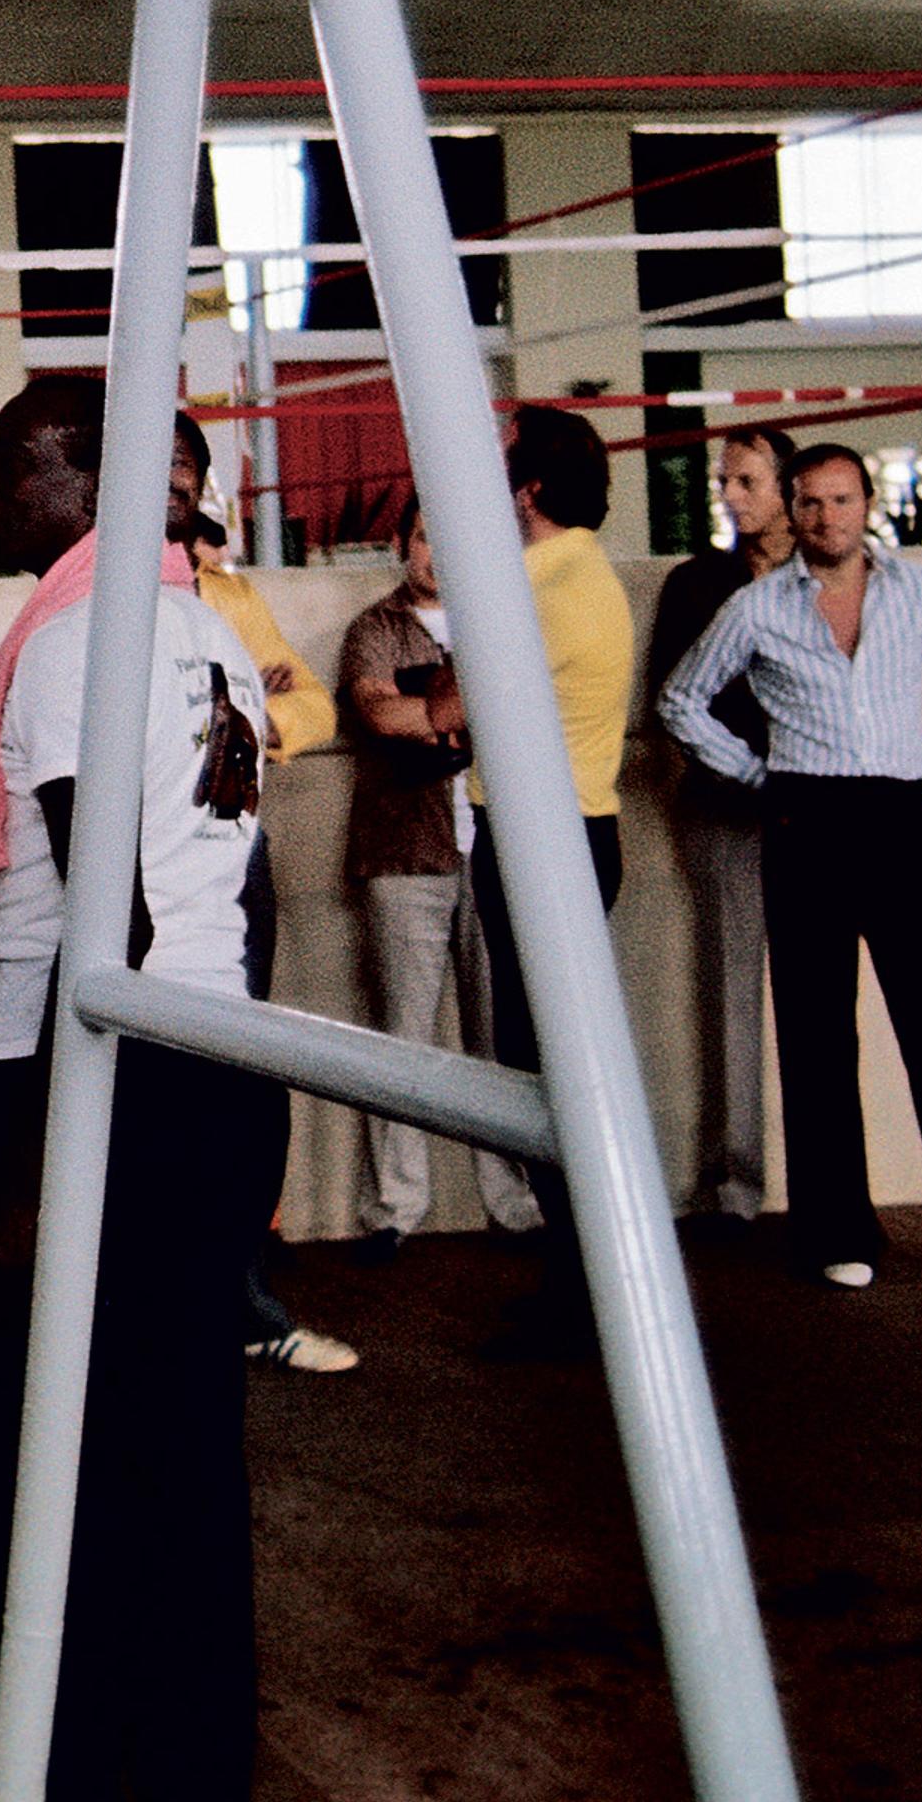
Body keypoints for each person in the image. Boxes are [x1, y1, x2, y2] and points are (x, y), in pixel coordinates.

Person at [0, 375, 277, 1800]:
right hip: (209, 1062)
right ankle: (189, 1751)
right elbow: (238, 894)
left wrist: (27, 1168)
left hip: (92, 1075)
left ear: (91, 477)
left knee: (50, 1437)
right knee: (176, 1433)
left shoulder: (84, 637)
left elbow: (108, 922)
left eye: (7, 463)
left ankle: (77, 1752)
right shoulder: (212, 636)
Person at [660, 444, 922, 1293]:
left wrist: (915, 762)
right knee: (816, 1034)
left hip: (896, 819)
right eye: (810, 503)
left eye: (840, 500)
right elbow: (680, 700)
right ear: (795, 510)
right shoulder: (757, 607)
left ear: (866, 503)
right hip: (803, 819)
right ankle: (835, 1232)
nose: (826, 518)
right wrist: (755, 776)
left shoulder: (915, 591)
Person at [165, 416, 354, 1377]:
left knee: (241, 1073)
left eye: (184, 468)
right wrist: (231, 711)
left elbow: (311, 708)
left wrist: (242, 719)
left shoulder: (232, 597)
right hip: (145, 864)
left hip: (235, 856)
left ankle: (242, 1292)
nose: (170, 483)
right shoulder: (90, 593)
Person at [468, 405, 633, 1356]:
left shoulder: (536, 583)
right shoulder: (577, 571)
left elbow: (446, 708)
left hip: (544, 841)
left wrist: (403, 702)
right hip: (562, 833)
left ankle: (585, 1291)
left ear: (527, 489)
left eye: (496, 457)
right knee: (543, 1062)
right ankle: (582, 1283)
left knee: (551, 1073)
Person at [335, 520, 540, 1253]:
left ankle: (513, 1201)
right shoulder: (376, 628)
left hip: (496, 852)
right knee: (404, 1036)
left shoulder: (505, 616)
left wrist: (431, 719)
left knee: (501, 1035)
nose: (437, 550)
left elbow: (521, 715)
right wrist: (463, 721)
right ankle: (394, 1208)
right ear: (401, 544)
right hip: (404, 853)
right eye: (424, 535)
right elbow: (381, 713)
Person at [645, 426, 798, 1234]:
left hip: (822, 812)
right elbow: (672, 699)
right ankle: (735, 1187)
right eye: (725, 482)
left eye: (746, 482)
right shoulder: (696, 582)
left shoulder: (828, 579)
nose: (731, 497)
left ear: (785, 488)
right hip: (727, 808)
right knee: (733, 995)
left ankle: (823, 1186)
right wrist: (746, 770)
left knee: (819, 1000)